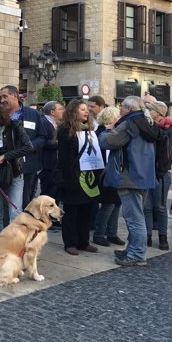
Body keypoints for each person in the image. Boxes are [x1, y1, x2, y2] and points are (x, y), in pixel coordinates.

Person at [99, 95, 158, 267]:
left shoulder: (129, 123)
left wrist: (107, 130)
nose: (120, 109)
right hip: (145, 175)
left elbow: (108, 142)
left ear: (129, 109)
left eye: (122, 106)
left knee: (134, 217)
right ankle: (132, 248)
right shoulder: (148, 123)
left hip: (129, 176)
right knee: (137, 214)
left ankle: (137, 254)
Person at [0, 100, 33, 241]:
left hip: (13, 173)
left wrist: (6, 156)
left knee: (15, 213)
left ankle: (15, 245)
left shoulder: (14, 126)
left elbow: (29, 147)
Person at [55, 100, 102, 256]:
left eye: (87, 109)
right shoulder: (66, 129)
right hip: (72, 176)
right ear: (73, 111)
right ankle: (70, 242)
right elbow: (64, 158)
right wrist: (69, 179)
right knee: (72, 211)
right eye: (82, 109)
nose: (86, 112)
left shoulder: (89, 129)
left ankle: (84, 241)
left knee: (86, 210)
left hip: (87, 176)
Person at [0, 85, 51, 211]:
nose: (1, 100)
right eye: (0, 97)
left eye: (5, 96)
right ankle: (8, 228)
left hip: (28, 164)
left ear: (15, 96)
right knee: (6, 201)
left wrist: (30, 147)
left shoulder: (33, 114)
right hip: (4, 164)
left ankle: (24, 227)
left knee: (26, 198)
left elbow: (43, 136)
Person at [143, 100, 172, 251]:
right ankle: (148, 235)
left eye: (149, 109)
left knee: (161, 206)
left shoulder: (171, 128)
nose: (146, 111)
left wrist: (160, 170)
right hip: (147, 171)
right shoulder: (147, 125)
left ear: (157, 112)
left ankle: (163, 236)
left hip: (161, 172)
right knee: (147, 206)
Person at [93, 106, 125, 247]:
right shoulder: (100, 132)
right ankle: (99, 233)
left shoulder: (115, 132)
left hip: (114, 171)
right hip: (104, 173)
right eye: (118, 116)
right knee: (108, 204)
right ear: (112, 117)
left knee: (116, 203)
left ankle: (112, 233)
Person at [38, 101, 63, 200]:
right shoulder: (43, 122)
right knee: (48, 195)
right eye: (60, 109)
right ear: (52, 112)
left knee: (55, 194)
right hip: (47, 165)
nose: (63, 111)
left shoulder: (58, 124)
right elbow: (43, 142)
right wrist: (60, 142)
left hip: (55, 166)